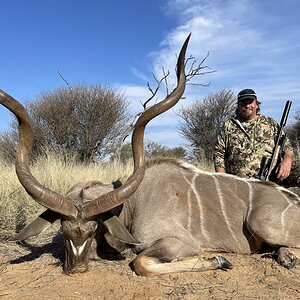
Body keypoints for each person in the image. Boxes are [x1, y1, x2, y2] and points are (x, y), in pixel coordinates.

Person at [213, 88, 300, 187]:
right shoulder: (228, 126)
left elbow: (287, 147)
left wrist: (287, 160)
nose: (247, 105)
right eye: (243, 103)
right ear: (238, 105)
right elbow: (218, 153)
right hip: (240, 184)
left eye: (250, 102)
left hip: (270, 179)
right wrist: (223, 181)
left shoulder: (270, 123)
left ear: (256, 104)